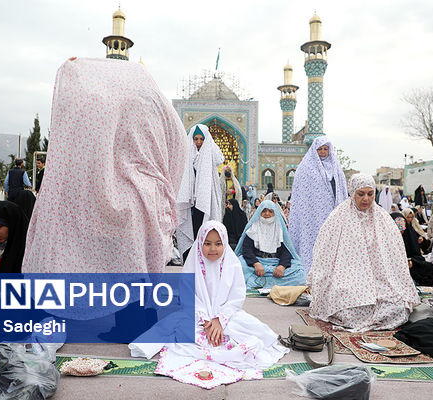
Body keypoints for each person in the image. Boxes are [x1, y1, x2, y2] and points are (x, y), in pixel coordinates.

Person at [22, 58, 188, 274]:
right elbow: (177, 149)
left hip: (101, 215)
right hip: (143, 209)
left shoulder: (92, 157)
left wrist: (74, 71)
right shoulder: (153, 112)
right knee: (136, 293)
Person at [129, 221, 288, 388]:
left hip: (227, 316)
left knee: (245, 330)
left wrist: (219, 319)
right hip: (196, 316)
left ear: (225, 243)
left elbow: (236, 297)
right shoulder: (193, 264)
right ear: (199, 243)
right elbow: (188, 297)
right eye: (208, 243)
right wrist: (204, 319)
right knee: (178, 326)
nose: (213, 248)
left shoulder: (232, 263)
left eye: (218, 244)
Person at [306, 173, 419, 331]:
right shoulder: (337, 218)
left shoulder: (383, 219)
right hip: (347, 279)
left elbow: (395, 257)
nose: (366, 199)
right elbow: (324, 255)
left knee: (398, 306)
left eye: (370, 194)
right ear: (352, 193)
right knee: (347, 306)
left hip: (380, 279)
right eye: (361, 194)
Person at [288, 137, 348, 274]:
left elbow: (341, 190)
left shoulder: (336, 168)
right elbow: (301, 195)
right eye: (319, 149)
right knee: (313, 242)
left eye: (325, 149)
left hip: (332, 213)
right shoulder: (305, 168)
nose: (322, 152)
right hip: (311, 215)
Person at [177, 124, 224, 259]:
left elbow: (218, 159)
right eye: (195, 139)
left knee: (205, 233)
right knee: (190, 234)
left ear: (206, 139)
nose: (198, 142)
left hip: (205, 203)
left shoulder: (210, 156)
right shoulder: (186, 157)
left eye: (201, 139)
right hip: (189, 203)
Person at [235, 200, 305, 289]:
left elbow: (287, 251)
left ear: (274, 213)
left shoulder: (280, 229)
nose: (267, 213)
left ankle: (259, 282)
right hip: (257, 263)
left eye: (270, 211)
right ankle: (275, 283)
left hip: (275, 263)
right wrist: (255, 263)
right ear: (259, 213)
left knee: (299, 272)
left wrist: (282, 266)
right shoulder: (253, 228)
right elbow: (247, 249)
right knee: (240, 265)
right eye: (264, 211)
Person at [391, 212, 433, 285]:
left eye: (402, 231)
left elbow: (417, 254)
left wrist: (412, 261)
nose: (400, 233)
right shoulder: (386, 240)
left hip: (412, 264)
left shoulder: (409, 234)